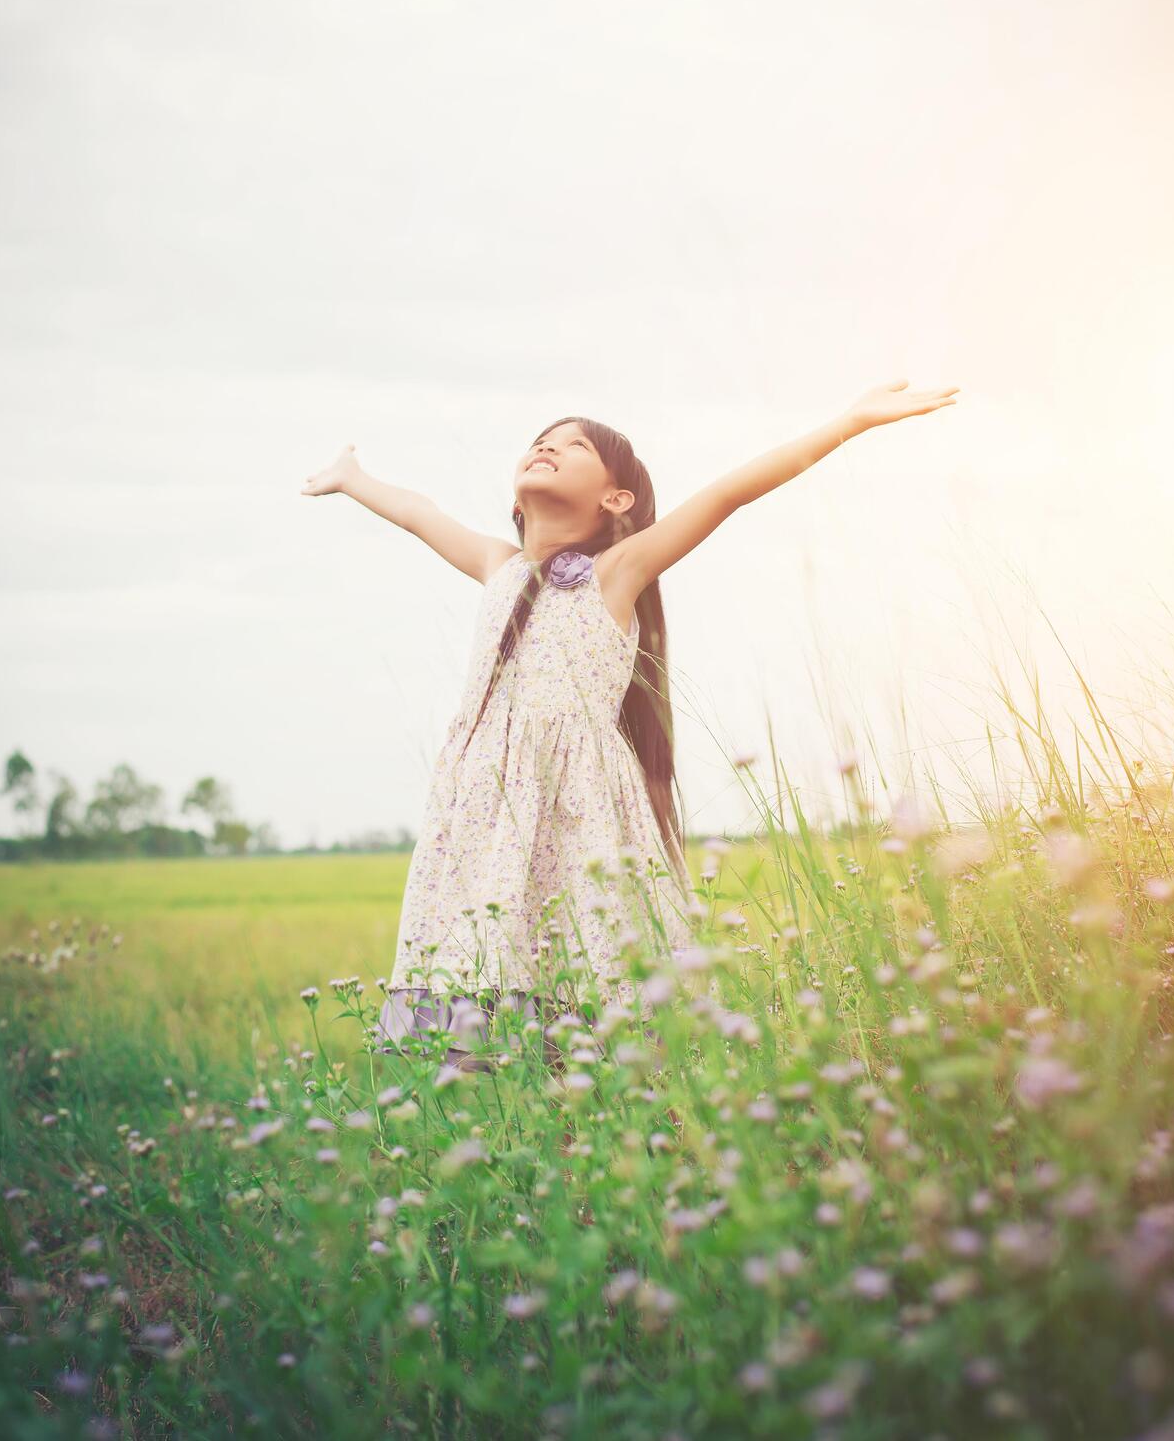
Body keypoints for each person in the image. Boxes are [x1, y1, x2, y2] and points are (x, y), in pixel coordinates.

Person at [301, 381, 958, 1069]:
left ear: (616, 499)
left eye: (573, 445)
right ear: (518, 495)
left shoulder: (617, 572)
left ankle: (611, 1101)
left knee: (594, 969)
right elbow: (416, 512)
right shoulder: (497, 565)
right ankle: (542, 1107)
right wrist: (354, 478)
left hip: (580, 808)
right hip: (488, 808)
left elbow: (728, 492)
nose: (547, 446)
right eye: (540, 441)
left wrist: (849, 421)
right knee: (497, 949)